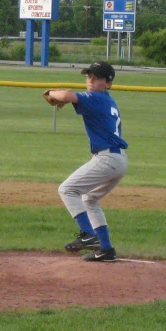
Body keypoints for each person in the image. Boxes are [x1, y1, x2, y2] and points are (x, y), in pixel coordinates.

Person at [43, 61, 128, 262]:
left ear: (108, 83)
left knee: (67, 190)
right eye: (88, 76)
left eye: (96, 77)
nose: (90, 80)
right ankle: (106, 249)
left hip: (110, 158)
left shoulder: (96, 98)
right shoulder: (108, 101)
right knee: (89, 199)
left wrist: (50, 92)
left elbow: (64, 96)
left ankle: (89, 235)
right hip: (117, 159)